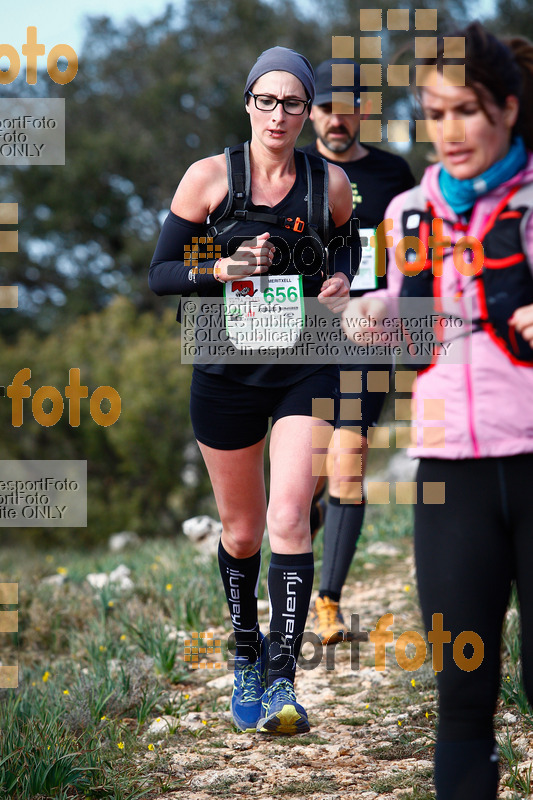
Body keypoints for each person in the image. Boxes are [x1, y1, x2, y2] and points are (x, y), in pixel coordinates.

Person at [343, 22, 533, 799]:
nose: (449, 132)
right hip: (446, 471)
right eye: (434, 113)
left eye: (466, 111)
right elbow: (386, 296)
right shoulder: (403, 215)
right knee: (461, 696)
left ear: (507, 110)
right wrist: (365, 314)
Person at [149, 46, 355, 735]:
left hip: (304, 359)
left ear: (305, 110)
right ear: (247, 104)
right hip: (223, 366)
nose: (278, 114)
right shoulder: (208, 178)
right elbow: (160, 273)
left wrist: (340, 281)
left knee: (289, 517)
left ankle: (281, 679)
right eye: (265, 100)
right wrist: (221, 267)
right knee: (241, 531)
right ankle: (244, 648)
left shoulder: (326, 184)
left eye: (291, 102)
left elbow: (348, 244)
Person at [300, 58, 414, 643]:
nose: (337, 119)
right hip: (302, 339)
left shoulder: (396, 174)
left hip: (368, 337)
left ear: (363, 111)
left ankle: (327, 600)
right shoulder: (296, 172)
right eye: (326, 108)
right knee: (306, 474)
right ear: (311, 111)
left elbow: (418, 261)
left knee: (347, 466)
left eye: (348, 108)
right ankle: (294, 559)